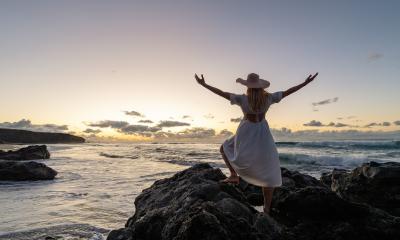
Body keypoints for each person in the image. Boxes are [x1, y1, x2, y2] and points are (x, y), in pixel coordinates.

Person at [195, 72, 318, 214]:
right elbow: (289, 91)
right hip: (262, 133)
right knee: (268, 170)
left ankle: (234, 175)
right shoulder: (268, 98)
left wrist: (204, 85)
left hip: (246, 131)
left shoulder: (242, 99)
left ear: (247, 86)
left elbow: (221, 93)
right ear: (260, 86)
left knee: (224, 148)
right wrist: (305, 83)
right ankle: (267, 208)